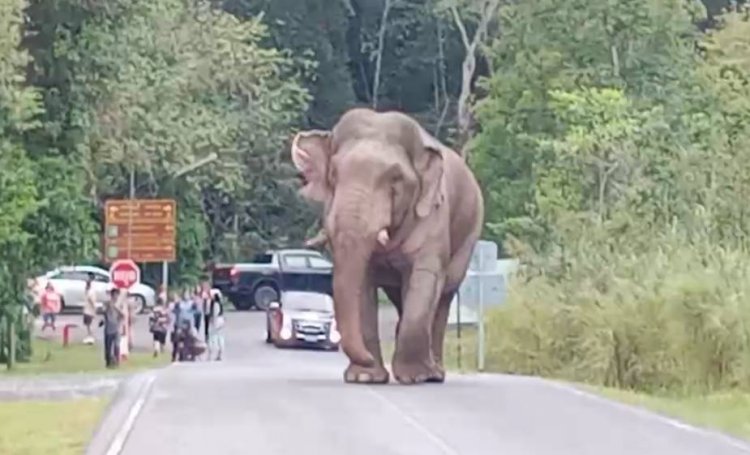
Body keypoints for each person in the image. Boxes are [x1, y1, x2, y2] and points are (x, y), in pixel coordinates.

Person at [100, 287, 125, 368]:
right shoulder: (107, 303)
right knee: (108, 346)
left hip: (116, 328)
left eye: (117, 295)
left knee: (117, 345)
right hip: (108, 328)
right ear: (112, 295)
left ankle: (116, 361)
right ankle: (108, 362)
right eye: (114, 295)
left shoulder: (119, 305)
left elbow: (123, 315)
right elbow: (103, 311)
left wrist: (116, 308)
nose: (116, 297)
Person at [207, 290, 225, 361]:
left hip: (217, 321)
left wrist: (213, 323)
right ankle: (219, 353)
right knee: (220, 337)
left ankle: (213, 353)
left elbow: (215, 314)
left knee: (213, 337)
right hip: (220, 321)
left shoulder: (215, 304)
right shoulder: (219, 304)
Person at [82, 273, 97, 343]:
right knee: (88, 324)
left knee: (89, 325)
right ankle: (90, 336)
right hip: (88, 310)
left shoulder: (89, 292)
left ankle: (91, 337)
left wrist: (94, 309)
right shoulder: (89, 291)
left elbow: (92, 301)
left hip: (88, 310)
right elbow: (92, 301)